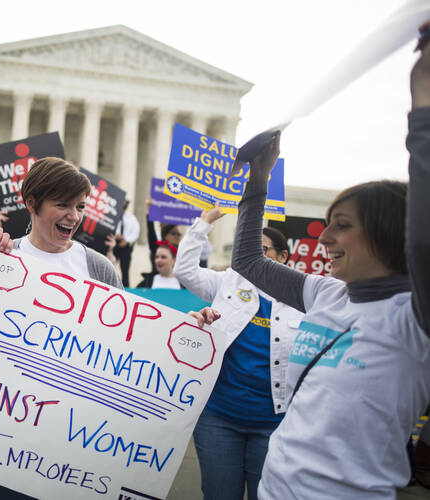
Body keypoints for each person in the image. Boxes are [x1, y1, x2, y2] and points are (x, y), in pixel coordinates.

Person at [229, 41, 430, 499]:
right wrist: (257, 184)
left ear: (385, 234)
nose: (324, 239)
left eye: (342, 226)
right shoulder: (327, 294)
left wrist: (422, 102)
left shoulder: (414, 318)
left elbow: (422, 239)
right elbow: (247, 261)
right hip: (275, 487)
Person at [0, 157, 121, 500]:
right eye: (63, 204)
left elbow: (124, 345)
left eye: (80, 206)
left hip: (71, 439)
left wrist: (192, 329)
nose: (74, 215)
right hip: (2, 434)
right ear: (31, 203)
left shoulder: (98, 268)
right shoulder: (1, 256)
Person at [174, 205, 303, 500]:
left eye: (263, 250)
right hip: (218, 419)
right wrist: (203, 223)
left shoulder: (302, 296)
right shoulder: (228, 282)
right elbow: (184, 270)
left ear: (283, 256)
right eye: (250, 250)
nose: (254, 256)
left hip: (274, 424)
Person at [113, 199, 140, 287]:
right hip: (114, 244)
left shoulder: (131, 218)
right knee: (111, 265)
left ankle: (126, 288)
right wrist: (116, 236)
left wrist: (127, 240)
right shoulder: (113, 214)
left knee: (125, 269)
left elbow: (135, 232)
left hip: (126, 246)